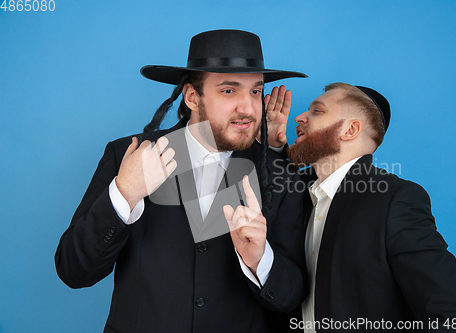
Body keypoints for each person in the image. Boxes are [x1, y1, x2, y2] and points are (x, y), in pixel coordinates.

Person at [55, 29, 309, 333]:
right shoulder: (128, 155)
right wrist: (125, 194)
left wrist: (260, 260)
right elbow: (74, 271)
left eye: (255, 91)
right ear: (192, 96)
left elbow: (292, 298)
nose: (248, 107)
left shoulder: (280, 173)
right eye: (229, 90)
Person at [284, 82, 456, 332]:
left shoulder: (395, 200)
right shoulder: (300, 194)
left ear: (350, 129)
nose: (299, 117)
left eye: (317, 111)